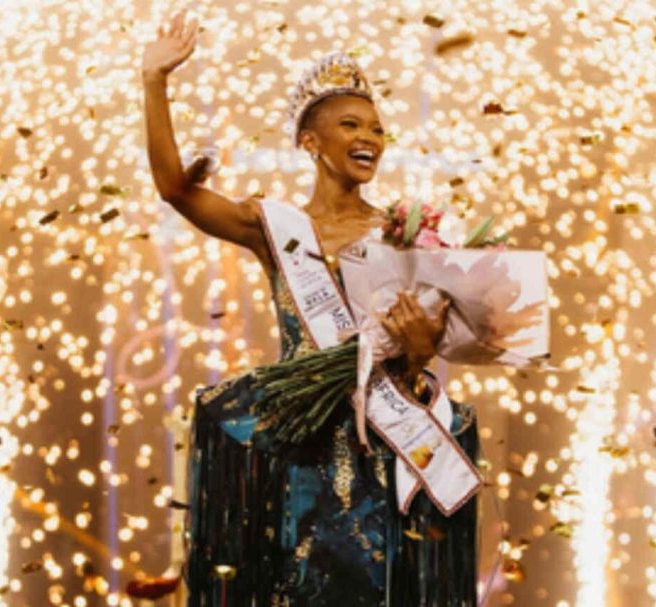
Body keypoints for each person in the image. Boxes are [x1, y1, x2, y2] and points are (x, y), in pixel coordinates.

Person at [137, 11, 479, 606]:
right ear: (310, 142)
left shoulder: (407, 233)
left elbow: (427, 341)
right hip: (298, 448)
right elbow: (174, 188)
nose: (369, 137)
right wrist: (154, 80)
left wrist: (421, 350)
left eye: (376, 128)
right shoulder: (275, 226)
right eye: (350, 125)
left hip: (385, 445)